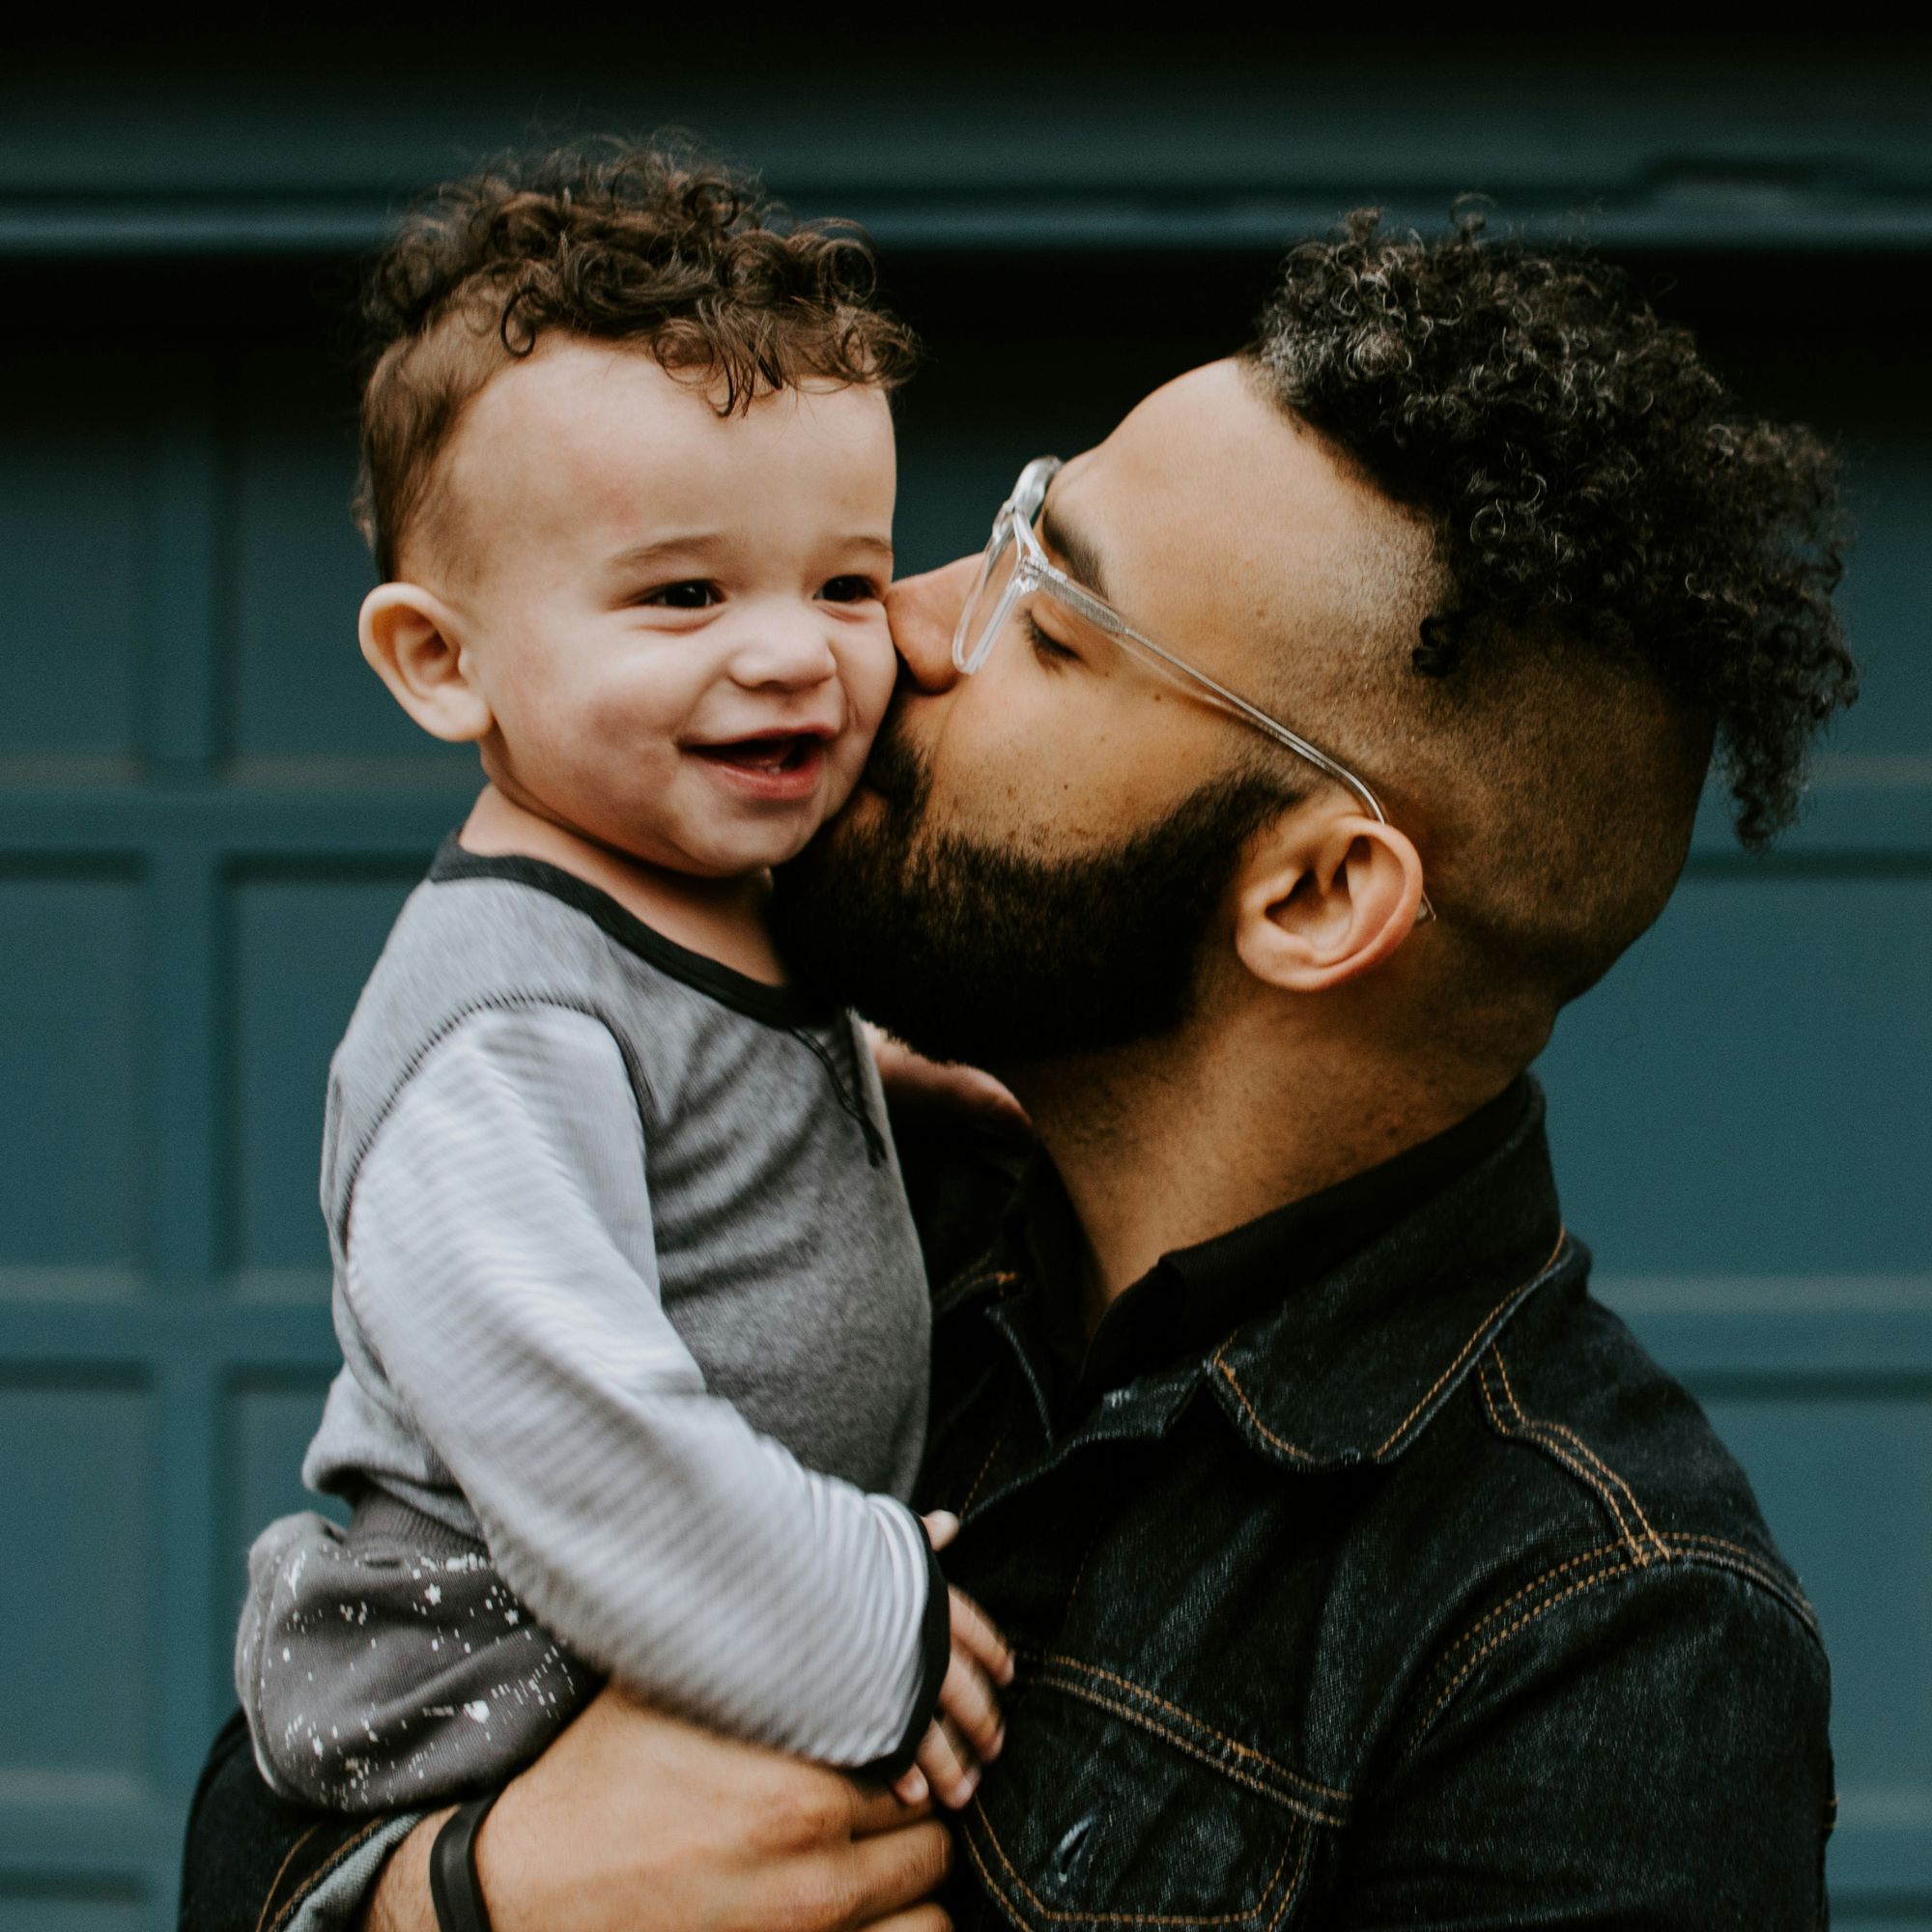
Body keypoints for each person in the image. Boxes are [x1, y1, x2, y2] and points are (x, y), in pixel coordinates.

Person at [183, 209, 1853, 1931]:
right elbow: (284, 1775)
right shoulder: (818, 1186)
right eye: (999, 541)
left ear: (1313, 894)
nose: (893, 630)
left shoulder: (1600, 1640)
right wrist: (468, 1897)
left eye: (1051, 626)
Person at [231, 139, 1010, 1830]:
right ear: (442, 661)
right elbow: (571, 1426)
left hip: (670, 1639)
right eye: (683, 594)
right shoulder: (503, 1026)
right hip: (494, 1678)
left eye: (846, 583)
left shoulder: (712, 894)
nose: (791, 651)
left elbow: (701, 1097)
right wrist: (856, 1621)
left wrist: (881, 1082)